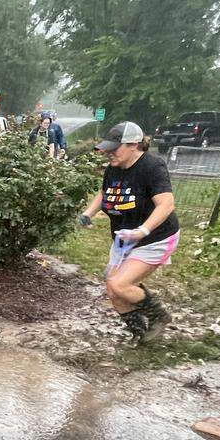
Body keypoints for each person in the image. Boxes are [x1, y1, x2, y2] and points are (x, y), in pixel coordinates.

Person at [77, 121, 180, 344]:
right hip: (124, 239)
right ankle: (139, 333)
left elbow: (166, 204)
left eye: (115, 149)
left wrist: (143, 230)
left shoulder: (151, 167)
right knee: (113, 289)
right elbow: (104, 193)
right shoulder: (113, 168)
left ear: (134, 144)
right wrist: (87, 214)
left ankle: (159, 316)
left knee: (119, 284)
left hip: (154, 237)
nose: (109, 153)